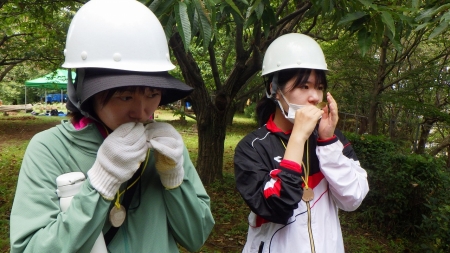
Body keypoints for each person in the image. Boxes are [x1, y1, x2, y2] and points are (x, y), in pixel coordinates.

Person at [9, 0, 214, 252]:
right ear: (85, 91)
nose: (142, 112)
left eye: (152, 94)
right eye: (125, 97)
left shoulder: (165, 148)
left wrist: (173, 179)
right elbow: (31, 248)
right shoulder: (50, 149)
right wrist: (100, 184)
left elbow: (196, 237)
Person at [234, 33, 369, 253]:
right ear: (274, 89)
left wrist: (327, 142)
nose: (315, 97)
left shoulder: (333, 139)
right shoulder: (254, 147)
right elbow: (275, 208)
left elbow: (353, 198)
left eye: (319, 87)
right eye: (304, 87)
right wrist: (297, 138)